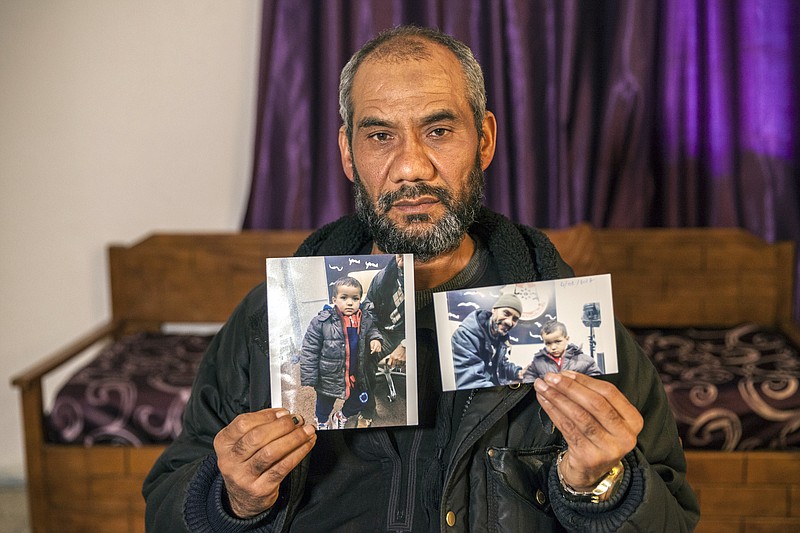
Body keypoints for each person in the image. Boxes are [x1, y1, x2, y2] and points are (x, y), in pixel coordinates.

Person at [143, 25, 699, 531]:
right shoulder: (267, 324)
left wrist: (602, 486)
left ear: (483, 140)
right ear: (347, 152)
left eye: (437, 130)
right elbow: (169, 502)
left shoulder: (572, 326)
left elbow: (673, 517)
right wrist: (232, 502)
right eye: (380, 136)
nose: (411, 167)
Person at [299, 276, 382, 430]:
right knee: (324, 403)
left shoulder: (365, 318)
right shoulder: (321, 322)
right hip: (329, 374)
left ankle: (341, 416)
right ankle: (322, 422)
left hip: (357, 372)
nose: (350, 302)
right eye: (344, 297)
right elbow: (310, 349)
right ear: (334, 299)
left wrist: (375, 339)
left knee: (361, 399)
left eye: (355, 298)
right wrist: (310, 376)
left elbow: (372, 330)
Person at [359, 253, 407, 427]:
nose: (400, 256)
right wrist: (373, 336)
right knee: (361, 355)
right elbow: (368, 305)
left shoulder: (427, 278)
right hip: (384, 332)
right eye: (398, 253)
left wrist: (406, 344)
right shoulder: (383, 276)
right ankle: (367, 410)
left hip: (409, 335)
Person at [451, 293, 525, 388]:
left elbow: (501, 365)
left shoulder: (501, 338)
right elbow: (471, 382)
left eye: (515, 319)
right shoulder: (464, 336)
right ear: (494, 310)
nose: (509, 322)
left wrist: (518, 372)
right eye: (506, 313)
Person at [523, 319, 603, 381]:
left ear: (567, 339)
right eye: (548, 343)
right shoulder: (538, 362)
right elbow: (529, 378)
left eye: (557, 342)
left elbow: (597, 380)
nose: (553, 347)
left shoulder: (585, 360)